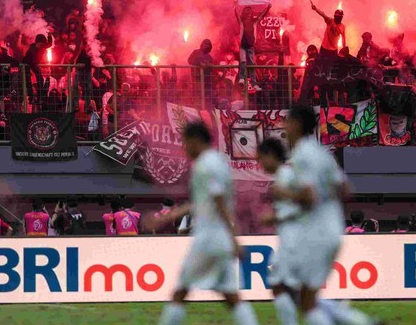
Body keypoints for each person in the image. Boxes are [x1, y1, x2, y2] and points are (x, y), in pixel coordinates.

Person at [275, 106, 380, 325]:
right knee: (304, 296)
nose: (284, 125)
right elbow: (345, 189)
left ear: (297, 124)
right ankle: (362, 322)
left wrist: (283, 192)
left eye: (287, 121)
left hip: (316, 232)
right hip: (332, 229)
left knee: (301, 298)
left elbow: (308, 197)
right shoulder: (322, 152)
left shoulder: (302, 155)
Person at [146, 122, 259, 325]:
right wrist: (167, 217)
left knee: (180, 292)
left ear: (196, 141)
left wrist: (234, 238)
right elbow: (203, 202)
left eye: (185, 143)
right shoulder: (218, 162)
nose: (184, 148)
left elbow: (217, 200)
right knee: (232, 297)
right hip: (220, 238)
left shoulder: (205, 165)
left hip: (209, 238)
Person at [257, 138, 305, 325]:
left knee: (278, 285)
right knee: (297, 294)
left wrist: (275, 217)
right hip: (291, 238)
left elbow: (304, 205)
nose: (260, 164)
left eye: (260, 159)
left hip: (294, 240)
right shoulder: (285, 175)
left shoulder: (286, 176)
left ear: (271, 156)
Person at [235, 3, 271, 84]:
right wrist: (235, 7)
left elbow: (262, 15)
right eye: (247, 12)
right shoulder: (242, 21)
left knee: (250, 63)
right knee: (244, 62)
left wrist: (267, 8)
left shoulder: (254, 21)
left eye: (250, 12)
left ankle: (252, 80)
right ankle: (242, 78)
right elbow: (237, 15)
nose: (249, 14)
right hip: (243, 45)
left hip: (250, 45)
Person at [22, 33, 54, 106]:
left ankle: (39, 98)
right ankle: (32, 98)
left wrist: (49, 36)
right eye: (42, 44)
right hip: (27, 65)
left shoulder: (42, 47)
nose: (43, 46)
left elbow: (49, 44)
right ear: (38, 43)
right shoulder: (32, 49)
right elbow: (31, 61)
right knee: (28, 81)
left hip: (34, 64)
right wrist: (36, 70)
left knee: (40, 80)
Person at [188, 39, 215, 106]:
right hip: (197, 78)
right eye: (205, 44)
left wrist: (208, 66)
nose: (207, 46)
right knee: (198, 94)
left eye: (208, 45)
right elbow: (189, 60)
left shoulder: (210, 57)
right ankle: (197, 108)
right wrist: (199, 63)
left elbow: (211, 69)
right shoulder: (195, 52)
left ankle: (207, 107)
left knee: (207, 95)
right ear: (202, 44)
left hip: (206, 80)